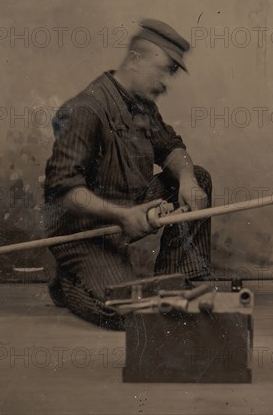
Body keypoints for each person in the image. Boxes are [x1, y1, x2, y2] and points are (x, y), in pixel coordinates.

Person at [44, 19, 212, 330]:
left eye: (171, 74)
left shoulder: (141, 104)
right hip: (83, 234)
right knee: (126, 313)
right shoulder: (86, 108)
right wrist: (123, 215)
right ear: (135, 61)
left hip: (125, 215)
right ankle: (67, 284)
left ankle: (181, 279)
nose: (165, 82)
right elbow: (63, 191)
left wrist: (187, 180)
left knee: (198, 176)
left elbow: (172, 148)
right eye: (163, 69)